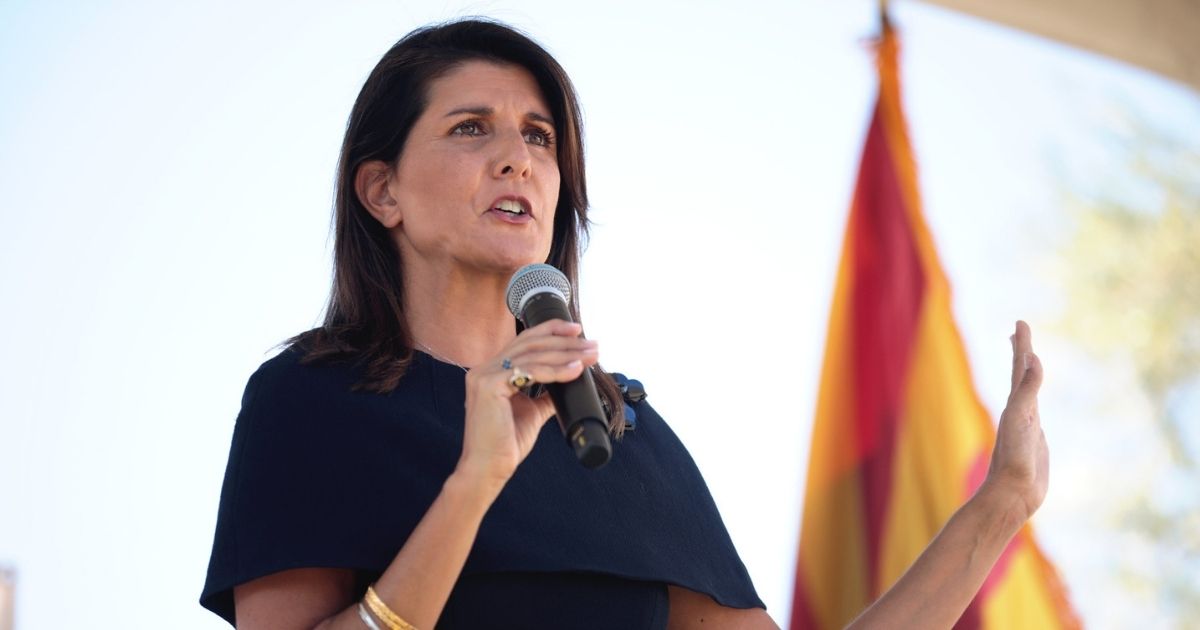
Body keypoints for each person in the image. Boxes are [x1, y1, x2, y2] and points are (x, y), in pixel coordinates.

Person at [200, 18, 1050, 630]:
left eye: (539, 137)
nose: (518, 158)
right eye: (471, 128)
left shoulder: (620, 433)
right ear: (381, 191)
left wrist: (1000, 506)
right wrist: (475, 483)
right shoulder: (310, 400)